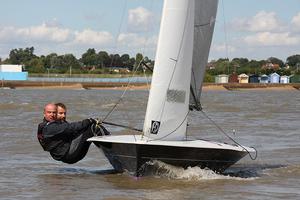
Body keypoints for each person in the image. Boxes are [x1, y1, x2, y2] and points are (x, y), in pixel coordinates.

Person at [37, 103, 109, 164]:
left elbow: (72, 130)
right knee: (94, 127)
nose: (52, 115)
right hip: (69, 155)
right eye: (49, 112)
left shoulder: (51, 125)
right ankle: (112, 147)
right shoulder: (50, 127)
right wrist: (89, 121)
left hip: (67, 155)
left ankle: (109, 149)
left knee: (88, 129)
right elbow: (71, 127)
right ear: (44, 114)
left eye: (54, 112)